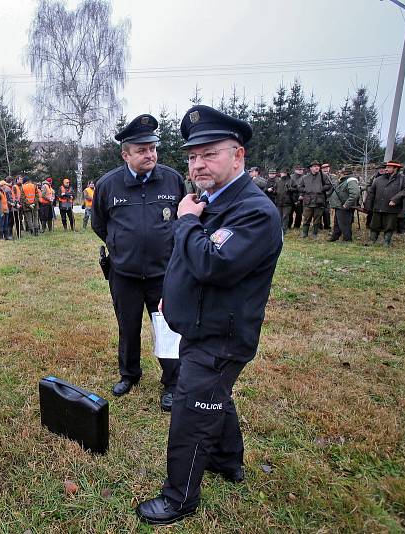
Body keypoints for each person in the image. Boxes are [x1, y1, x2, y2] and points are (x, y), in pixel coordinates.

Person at [135, 105, 282, 526]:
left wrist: (184, 221)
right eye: (193, 156)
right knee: (214, 396)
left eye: (210, 154)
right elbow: (188, 263)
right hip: (201, 326)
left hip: (222, 335)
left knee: (191, 412)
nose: (198, 164)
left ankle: (179, 497)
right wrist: (171, 294)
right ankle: (228, 462)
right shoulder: (209, 200)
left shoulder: (252, 211)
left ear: (238, 156)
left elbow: (212, 263)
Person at [91, 113, 184, 412]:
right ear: (125, 154)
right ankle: (129, 374)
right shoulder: (108, 185)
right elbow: (100, 224)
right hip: (124, 274)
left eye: (153, 148)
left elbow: (184, 221)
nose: (150, 155)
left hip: (164, 274)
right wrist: (122, 248)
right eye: (142, 150)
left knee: (167, 328)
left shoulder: (172, 179)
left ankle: (172, 382)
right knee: (127, 327)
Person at [363, 161, 405, 247]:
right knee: (374, 225)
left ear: (395, 169)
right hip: (378, 207)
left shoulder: (404, 179)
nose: (386, 169)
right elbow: (371, 193)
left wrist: (395, 199)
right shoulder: (378, 179)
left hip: (392, 208)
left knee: (389, 226)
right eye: (386, 167)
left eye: (389, 167)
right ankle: (372, 240)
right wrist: (368, 206)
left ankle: (387, 242)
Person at [299, 160, 332, 238]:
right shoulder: (305, 177)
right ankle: (304, 233)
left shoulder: (323, 176)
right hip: (308, 201)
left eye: (318, 166)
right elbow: (300, 187)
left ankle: (314, 234)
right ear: (310, 168)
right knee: (306, 218)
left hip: (319, 200)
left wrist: (320, 189)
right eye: (314, 166)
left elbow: (329, 185)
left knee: (317, 219)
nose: (317, 167)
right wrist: (306, 189)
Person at [327, 166, 360, 242]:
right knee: (337, 224)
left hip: (344, 206)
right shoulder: (345, 180)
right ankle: (335, 237)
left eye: (340, 172)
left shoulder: (351, 180)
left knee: (344, 224)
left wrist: (347, 204)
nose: (339, 174)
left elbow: (355, 193)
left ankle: (347, 240)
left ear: (344, 173)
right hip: (340, 206)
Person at [320, 162, 335, 230]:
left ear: (329, 168)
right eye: (323, 168)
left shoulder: (333, 176)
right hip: (319, 197)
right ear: (321, 169)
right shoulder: (319, 177)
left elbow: (334, 186)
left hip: (328, 197)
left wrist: (328, 194)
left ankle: (327, 226)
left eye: (327, 168)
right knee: (319, 212)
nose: (325, 169)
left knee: (326, 212)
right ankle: (319, 226)